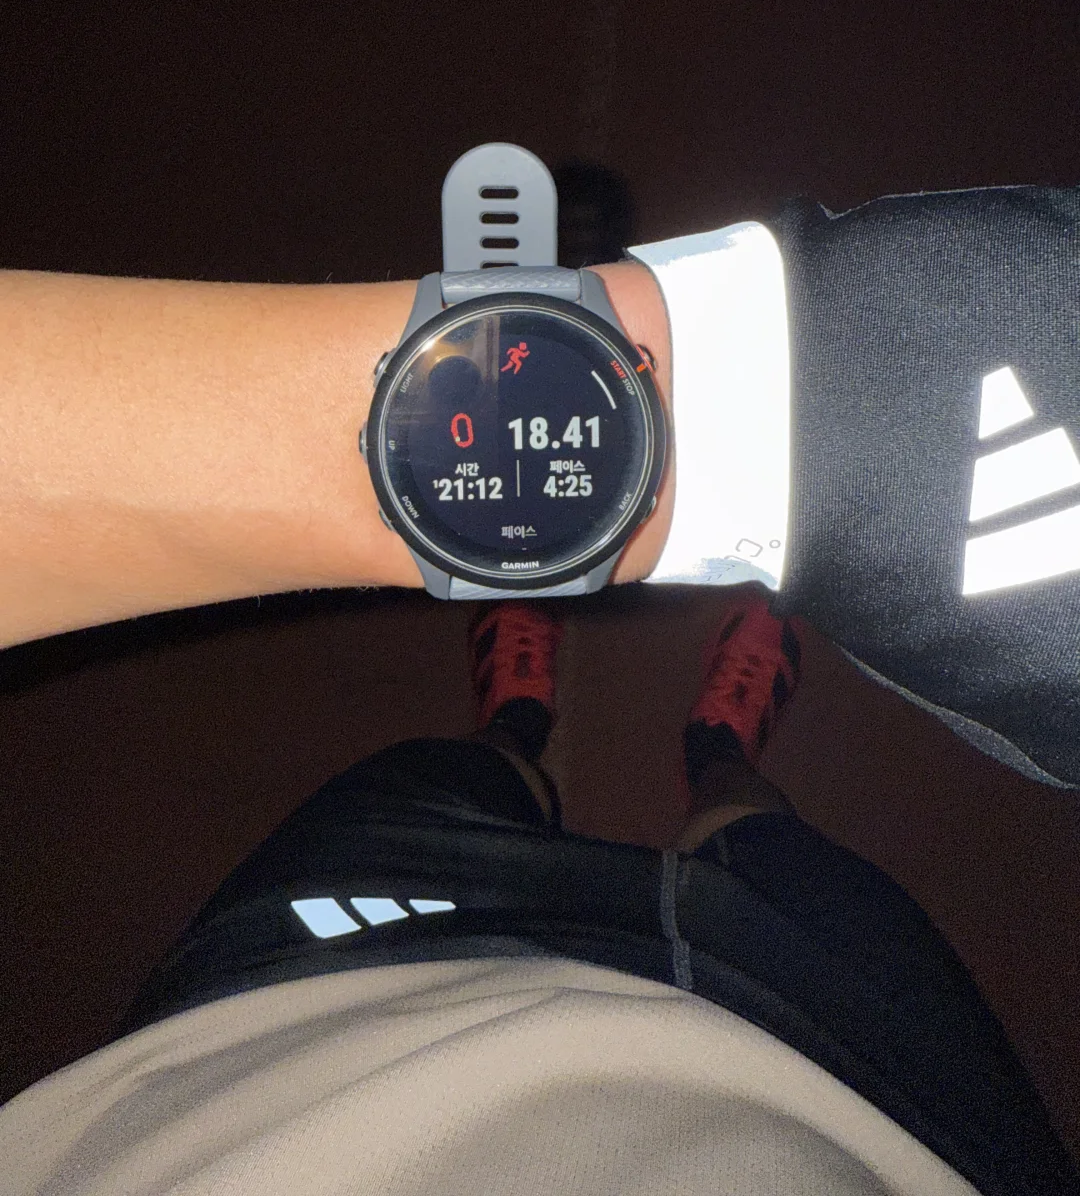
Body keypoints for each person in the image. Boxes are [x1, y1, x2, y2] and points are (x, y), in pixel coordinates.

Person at [1, 182, 1078, 1194]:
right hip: (860, 1086)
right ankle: (719, 749)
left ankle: (515, 718)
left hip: (269, 1022)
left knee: (448, 778)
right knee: (763, 840)